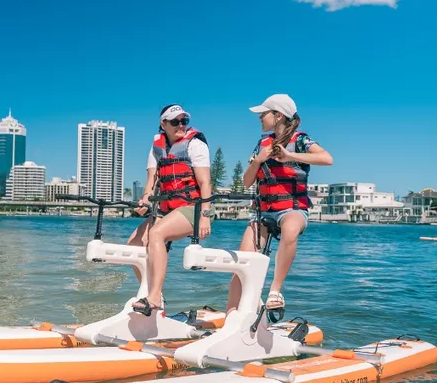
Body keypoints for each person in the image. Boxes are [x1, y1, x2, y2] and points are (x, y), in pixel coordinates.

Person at [225, 94, 332, 317]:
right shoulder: (261, 144)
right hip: (263, 213)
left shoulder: (301, 141)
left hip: (292, 209)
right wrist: (258, 160)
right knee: (241, 265)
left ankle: (275, 291)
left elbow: (327, 159)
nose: (260, 118)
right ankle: (231, 318)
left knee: (290, 230)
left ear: (278, 115)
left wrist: (289, 155)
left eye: (263, 114)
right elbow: (247, 181)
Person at [127, 104, 213, 316]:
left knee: (157, 233)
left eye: (184, 121)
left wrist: (205, 216)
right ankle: (155, 295)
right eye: (175, 122)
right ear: (163, 124)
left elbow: (205, 184)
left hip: (192, 209)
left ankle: (154, 296)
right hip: (165, 210)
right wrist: (145, 201)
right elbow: (150, 183)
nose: (181, 125)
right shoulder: (157, 147)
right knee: (134, 244)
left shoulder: (195, 144)